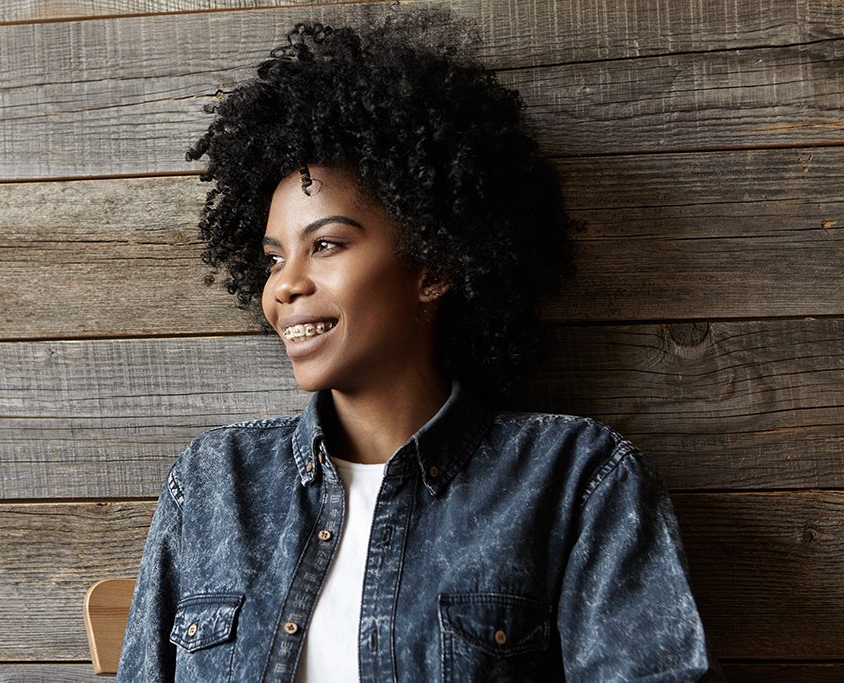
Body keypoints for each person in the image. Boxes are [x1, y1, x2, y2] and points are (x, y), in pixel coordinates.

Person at [117, 9, 724, 682]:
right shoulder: (212, 484)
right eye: (273, 258)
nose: (284, 285)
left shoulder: (577, 481)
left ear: (433, 266)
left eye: (326, 244)